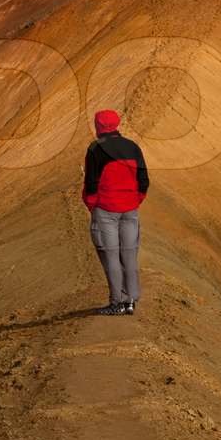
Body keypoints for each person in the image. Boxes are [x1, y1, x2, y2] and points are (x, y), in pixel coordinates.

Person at [82, 109, 148, 315]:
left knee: (111, 255)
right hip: (130, 209)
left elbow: (91, 184)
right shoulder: (132, 147)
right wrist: (134, 201)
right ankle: (130, 301)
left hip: (106, 210)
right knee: (129, 255)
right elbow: (144, 181)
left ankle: (116, 303)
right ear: (116, 124)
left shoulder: (95, 148)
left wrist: (93, 205)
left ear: (98, 126)